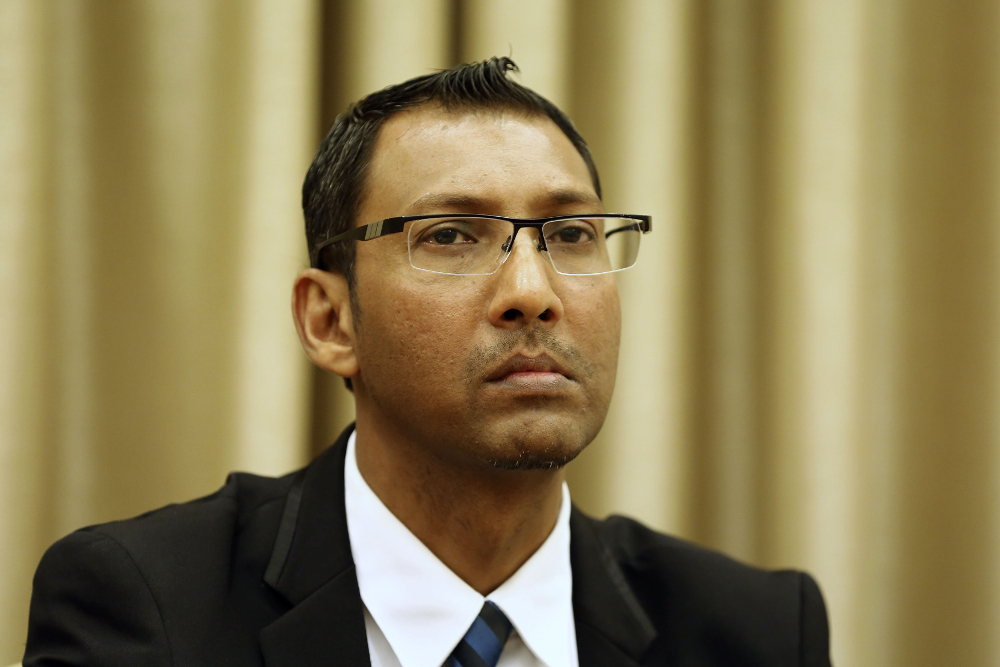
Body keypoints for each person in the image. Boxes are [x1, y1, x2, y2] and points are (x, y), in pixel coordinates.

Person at [23, 57, 831, 667]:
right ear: (330, 320)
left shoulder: (757, 630)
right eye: (450, 235)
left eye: (570, 234)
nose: (533, 292)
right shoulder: (147, 607)